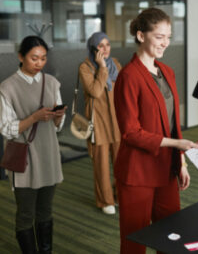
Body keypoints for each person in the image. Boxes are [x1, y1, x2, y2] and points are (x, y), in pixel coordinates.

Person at [114, 7, 198, 254]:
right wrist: (176, 146)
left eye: (169, 37)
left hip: (166, 168)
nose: (166, 43)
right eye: (160, 36)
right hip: (138, 172)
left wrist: (180, 162)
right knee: (135, 241)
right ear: (141, 36)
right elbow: (130, 132)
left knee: (171, 235)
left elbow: (173, 125)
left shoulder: (167, 72)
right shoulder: (128, 77)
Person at [0, 36, 66, 254]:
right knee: (26, 213)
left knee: (45, 211)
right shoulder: (7, 88)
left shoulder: (51, 83)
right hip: (24, 158)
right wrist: (34, 117)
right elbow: (6, 128)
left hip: (49, 154)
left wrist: (58, 116)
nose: (39, 63)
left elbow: (57, 127)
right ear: (21, 57)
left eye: (43, 58)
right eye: (34, 58)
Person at [79, 31, 121, 215]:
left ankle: (120, 196)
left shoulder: (117, 64)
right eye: (101, 46)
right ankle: (106, 200)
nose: (105, 49)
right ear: (93, 48)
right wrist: (102, 67)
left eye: (108, 45)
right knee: (102, 164)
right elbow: (95, 91)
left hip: (118, 120)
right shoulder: (86, 67)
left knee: (121, 162)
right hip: (99, 122)